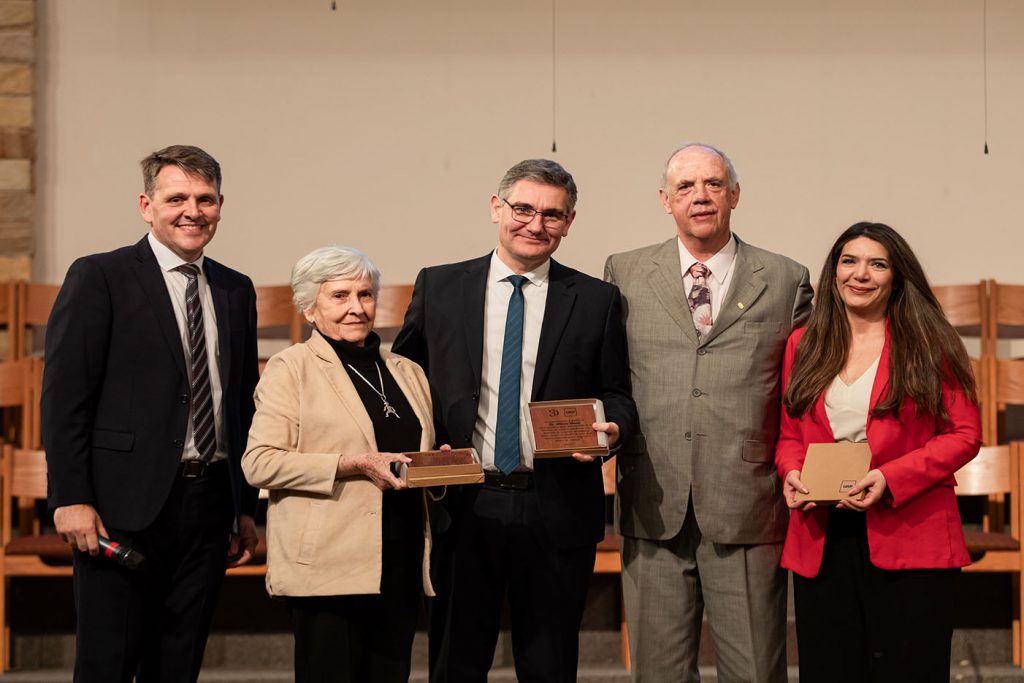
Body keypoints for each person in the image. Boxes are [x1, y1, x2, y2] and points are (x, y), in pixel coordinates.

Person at [393, 158, 637, 683]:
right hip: (462, 502)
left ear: (569, 222)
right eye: (523, 208)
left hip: (555, 505)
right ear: (496, 208)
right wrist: (421, 447)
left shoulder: (596, 300)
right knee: (456, 663)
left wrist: (613, 429)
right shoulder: (440, 287)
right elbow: (402, 386)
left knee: (548, 667)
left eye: (553, 214)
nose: (535, 224)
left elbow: (617, 394)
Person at [41, 144, 260, 682]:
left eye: (205, 198)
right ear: (146, 205)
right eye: (176, 198)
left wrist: (246, 506)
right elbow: (65, 397)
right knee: (108, 665)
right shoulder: (100, 277)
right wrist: (71, 497)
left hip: (208, 506)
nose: (192, 210)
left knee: (178, 666)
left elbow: (241, 401)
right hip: (121, 506)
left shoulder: (235, 289)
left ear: (220, 204)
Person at [604, 142, 813, 682]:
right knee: (658, 674)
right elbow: (605, 378)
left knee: (754, 671)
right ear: (664, 200)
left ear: (735, 195)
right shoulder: (623, 273)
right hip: (654, 498)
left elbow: (805, 394)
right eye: (686, 187)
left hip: (747, 499)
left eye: (714, 185)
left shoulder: (786, 277)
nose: (700, 197)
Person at [776, 222, 981, 682]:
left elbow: (965, 434)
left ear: (897, 276)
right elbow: (790, 435)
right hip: (824, 535)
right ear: (833, 273)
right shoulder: (803, 344)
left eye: (877, 263)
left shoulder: (930, 344)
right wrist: (791, 472)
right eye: (849, 261)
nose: (860, 274)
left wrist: (891, 477)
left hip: (911, 532)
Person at [242, 245, 435, 683]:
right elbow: (259, 463)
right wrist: (352, 463)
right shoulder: (289, 369)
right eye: (340, 295)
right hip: (328, 564)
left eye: (365, 295)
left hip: (400, 559)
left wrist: (439, 465)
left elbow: (410, 460)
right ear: (309, 308)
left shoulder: (408, 371)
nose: (356, 308)